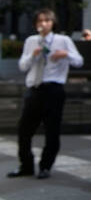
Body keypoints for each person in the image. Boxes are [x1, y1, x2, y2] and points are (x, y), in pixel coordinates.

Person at [7, 10, 84, 179]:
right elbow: (22, 66)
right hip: (34, 89)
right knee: (24, 130)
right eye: (40, 21)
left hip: (54, 89)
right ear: (35, 24)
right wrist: (32, 56)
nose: (43, 23)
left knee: (52, 131)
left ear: (52, 23)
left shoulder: (63, 41)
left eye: (47, 20)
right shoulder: (31, 41)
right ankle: (26, 165)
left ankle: (45, 166)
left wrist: (66, 54)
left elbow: (79, 61)